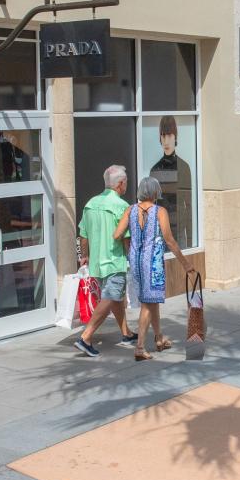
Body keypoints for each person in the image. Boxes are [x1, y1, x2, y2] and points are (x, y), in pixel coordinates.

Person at [114, 176, 197, 361]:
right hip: (152, 262)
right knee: (148, 303)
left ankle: (159, 338)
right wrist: (186, 264)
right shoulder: (160, 211)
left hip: (135, 261)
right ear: (154, 192)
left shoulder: (130, 210)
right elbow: (170, 240)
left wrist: (132, 246)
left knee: (151, 300)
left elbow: (117, 234)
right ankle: (140, 347)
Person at [73, 164, 137, 357]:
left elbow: (83, 234)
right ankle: (86, 337)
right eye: (125, 182)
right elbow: (126, 237)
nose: (126, 185)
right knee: (110, 298)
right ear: (120, 184)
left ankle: (126, 333)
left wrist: (84, 256)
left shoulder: (91, 203)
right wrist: (131, 258)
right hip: (114, 261)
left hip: (96, 263)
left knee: (113, 297)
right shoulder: (122, 206)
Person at [150, 115, 194, 249]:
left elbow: (188, 205)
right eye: (163, 136)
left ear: (175, 137)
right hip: (161, 228)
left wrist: (191, 239)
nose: (166, 141)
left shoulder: (184, 167)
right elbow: (151, 205)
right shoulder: (155, 170)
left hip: (179, 228)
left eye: (169, 136)